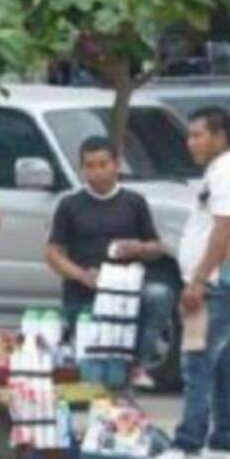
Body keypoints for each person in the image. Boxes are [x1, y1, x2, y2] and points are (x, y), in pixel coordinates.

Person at [154, 107, 230, 459]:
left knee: (197, 362)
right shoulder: (219, 172)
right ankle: (226, 441)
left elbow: (225, 230)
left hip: (211, 284)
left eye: (198, 135)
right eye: (190, 135)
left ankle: (188, 445)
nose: (191, 142)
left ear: (220, 136)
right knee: (223, 363)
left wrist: (199, 279)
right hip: (212, 280)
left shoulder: (228, 175)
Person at [45, 136, 174, 389]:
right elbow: (53, 253)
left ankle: (139, 362)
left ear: (116, 165)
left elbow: (156, 247)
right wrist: (81, 275)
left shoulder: (133, 202)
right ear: (81, 169)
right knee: (100, 374)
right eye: (90, 166)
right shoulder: (70, 205)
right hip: (84, 293)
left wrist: (137, 248)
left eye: (103, 164)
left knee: (159, 295)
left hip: (126, 290)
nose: (97, 172)